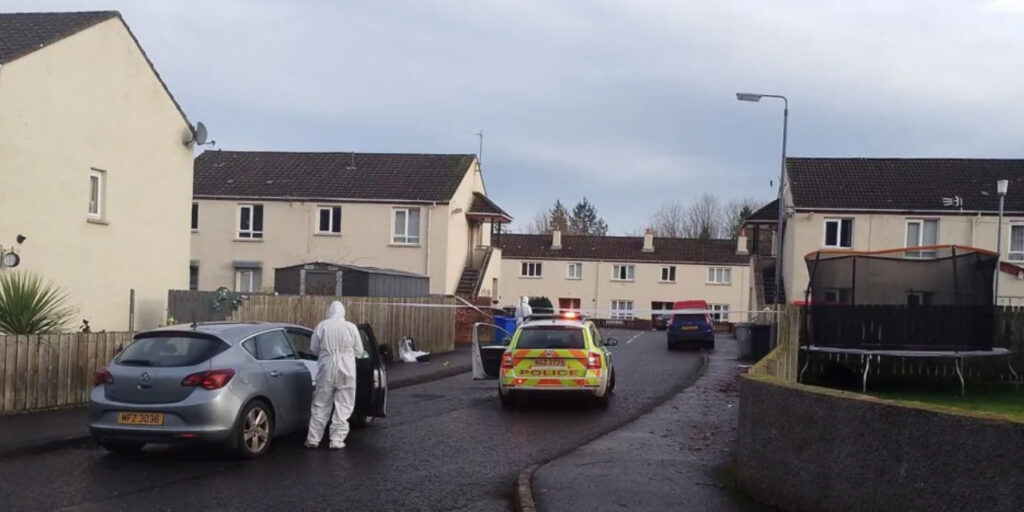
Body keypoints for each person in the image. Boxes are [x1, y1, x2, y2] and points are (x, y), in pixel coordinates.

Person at [305, 301, 363, 450]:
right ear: (343, 312)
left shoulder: (322, 326)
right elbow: (359, 350)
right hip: (347, 368)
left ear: (329, 311)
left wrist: (326, 355)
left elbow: (314, 348)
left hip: (327, 366)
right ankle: (337, 440)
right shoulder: (351, 327)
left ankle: (313, 439)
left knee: (321, 402)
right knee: (343, 405)